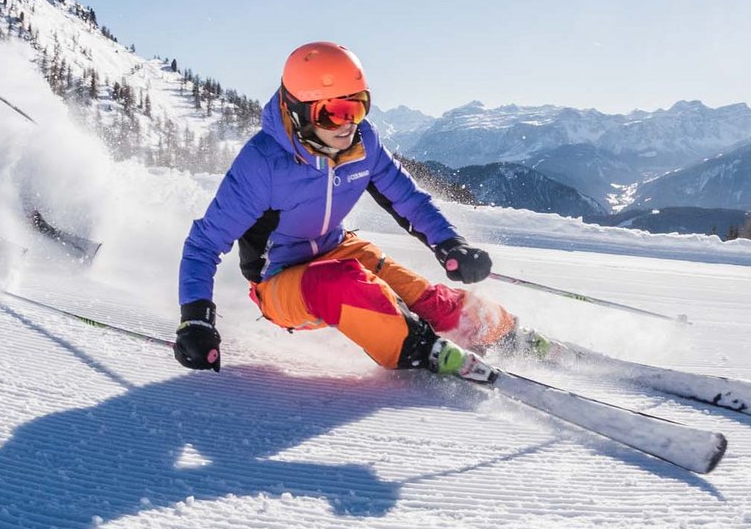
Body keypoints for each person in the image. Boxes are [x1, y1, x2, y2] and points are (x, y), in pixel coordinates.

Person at [173, 41, 506, 378]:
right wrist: (196, 317)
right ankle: (420, 349)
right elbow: (204, 244)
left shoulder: (364, 144)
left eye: (357, 108)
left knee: (419, 294)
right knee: (343, 285)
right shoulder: (263, 164)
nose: (348, 124)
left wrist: (449, 242)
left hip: (337, 248)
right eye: (333, 113)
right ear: (299, 111)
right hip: (279, 281)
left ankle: (501, 329)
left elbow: (409, 199)